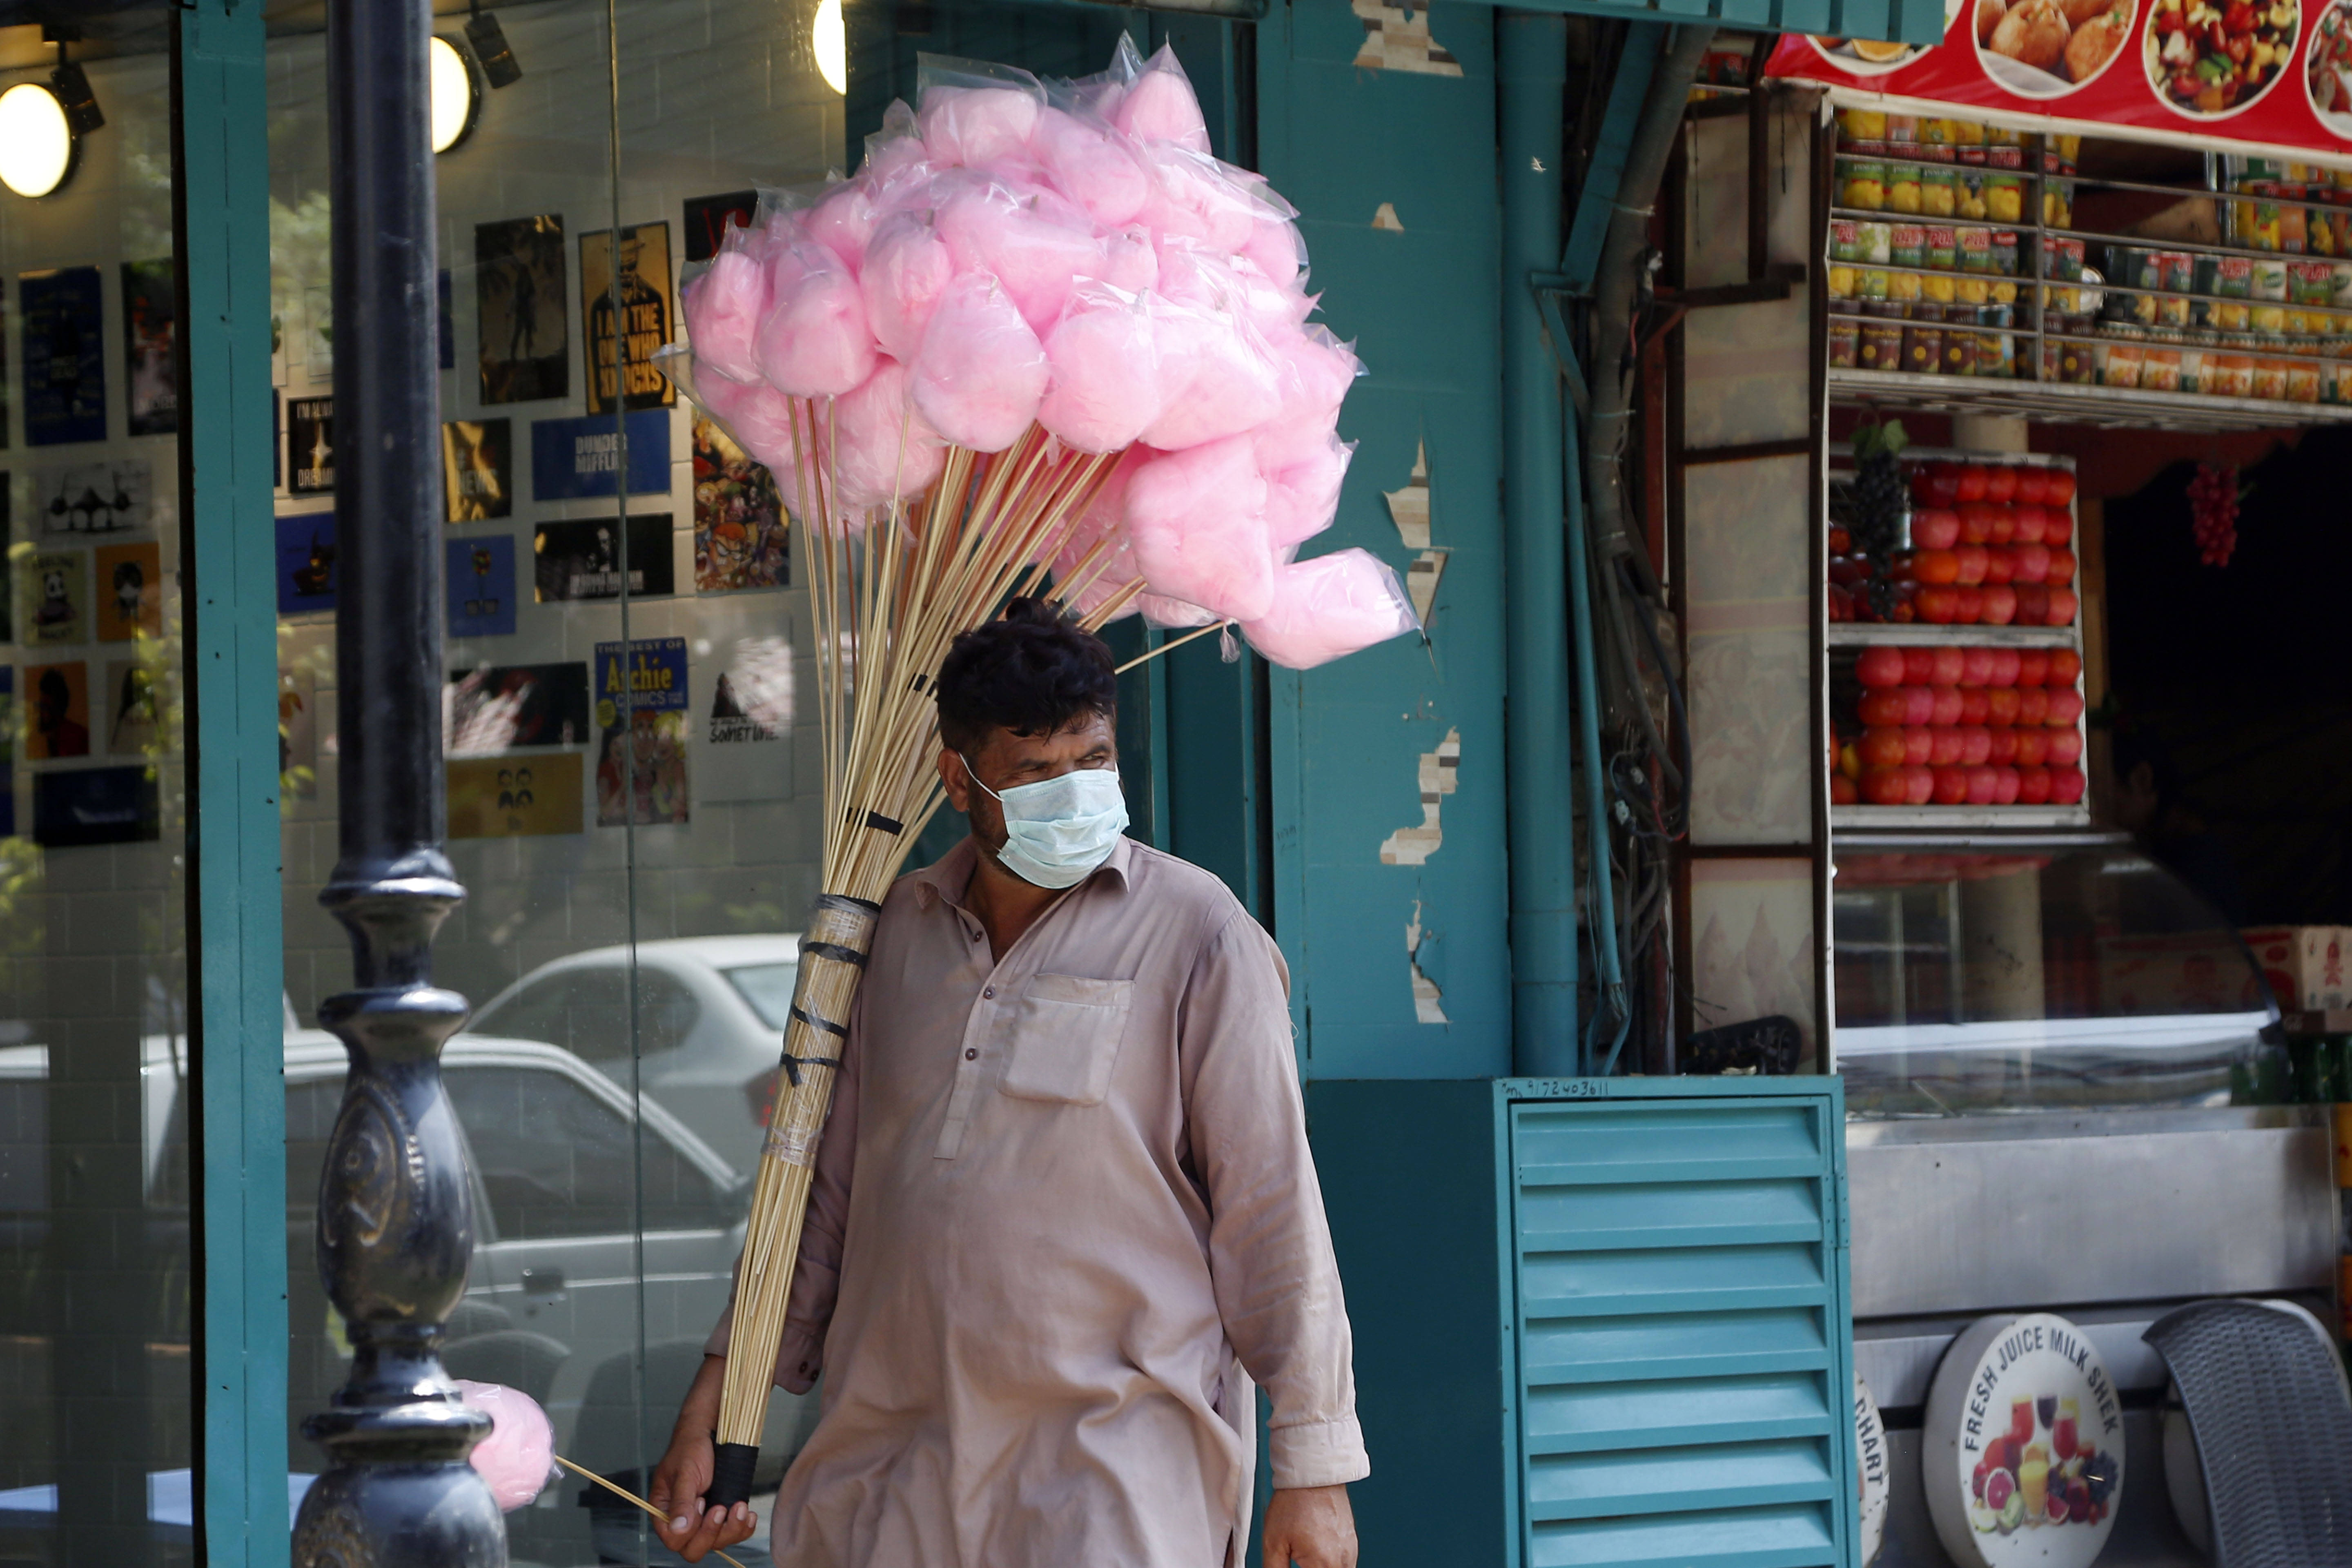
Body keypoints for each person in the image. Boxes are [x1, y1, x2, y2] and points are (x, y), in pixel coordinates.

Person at [648, 599, 1365, 1568]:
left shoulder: (1201, 934)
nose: (1074, 793)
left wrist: (1315, 1472)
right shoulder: (891, 934)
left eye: (1093, 760)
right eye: (1035, 773)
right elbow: (819, 1201)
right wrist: (718, 1399)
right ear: (959, 780)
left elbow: (1273, 1212)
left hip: (1112, 1473)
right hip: (892, 1467)